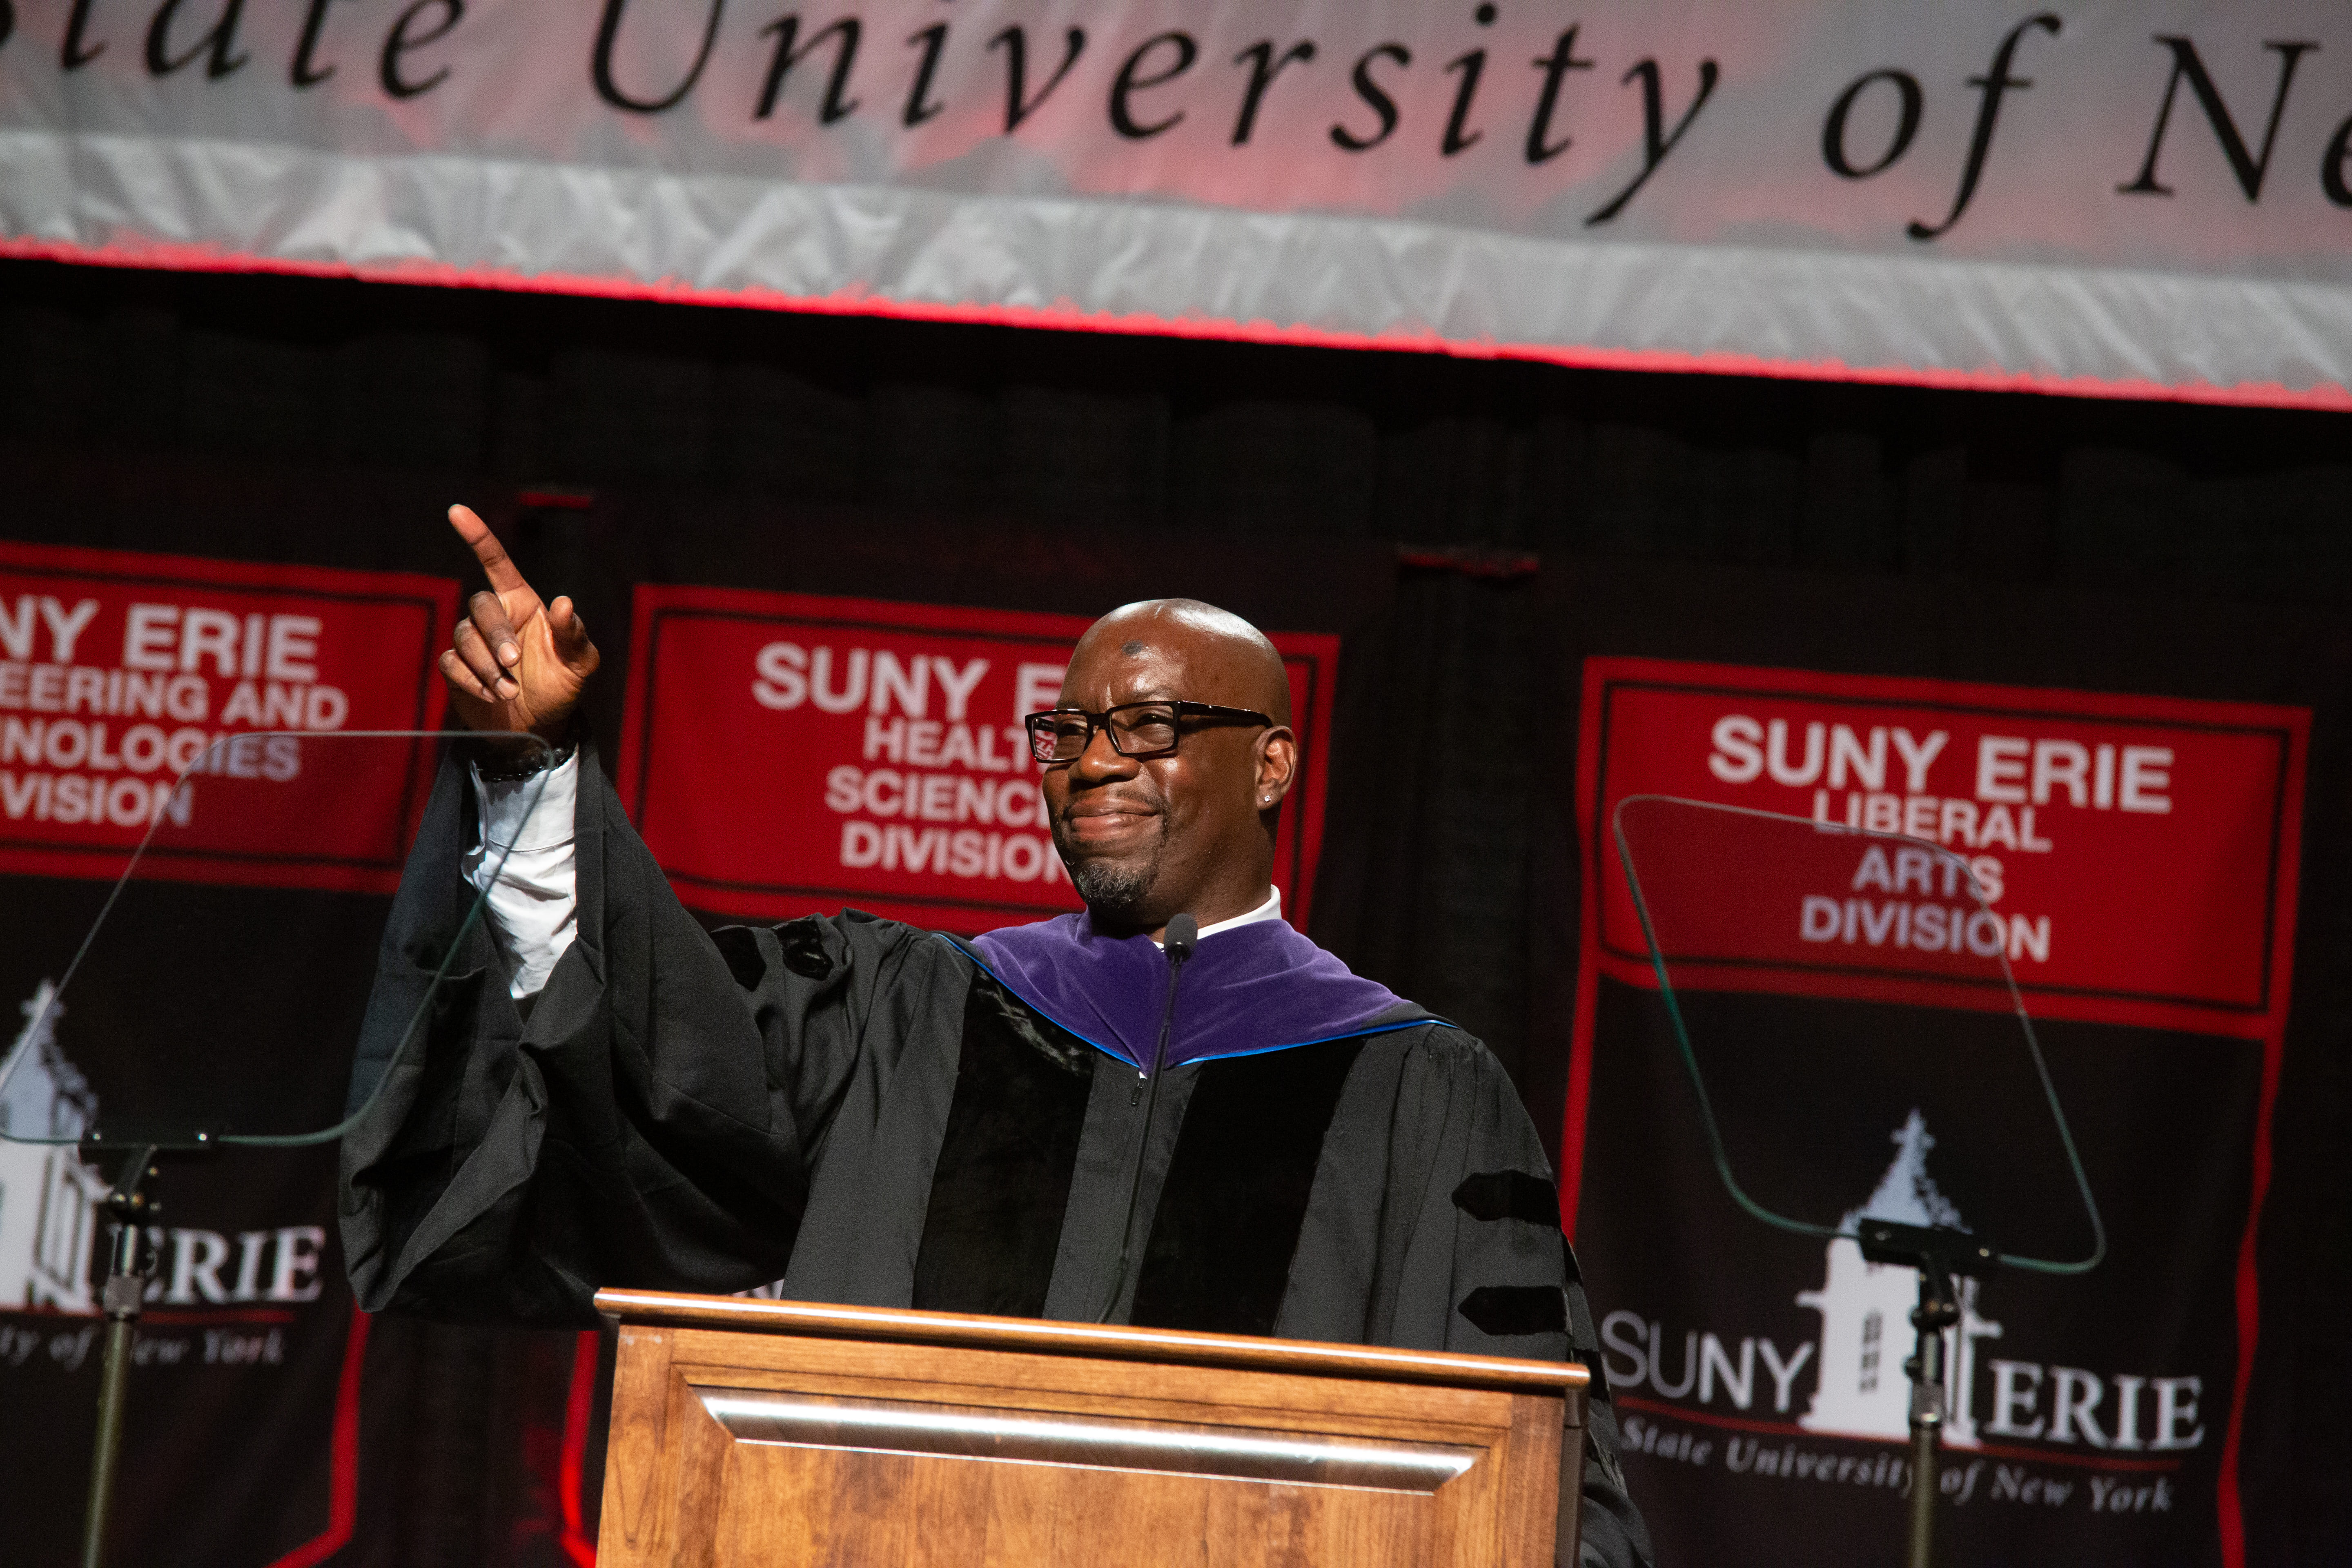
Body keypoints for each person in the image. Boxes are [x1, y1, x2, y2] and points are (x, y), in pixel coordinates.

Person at [341, 506, 1653, 1568]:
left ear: (1272, 767)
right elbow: (655, 1048)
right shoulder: (910, 1010)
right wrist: (533, 772)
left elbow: (1522, 1457)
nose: (1090, 762)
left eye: (1148, 726)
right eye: (1067, 730)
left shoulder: (1418, 1090)